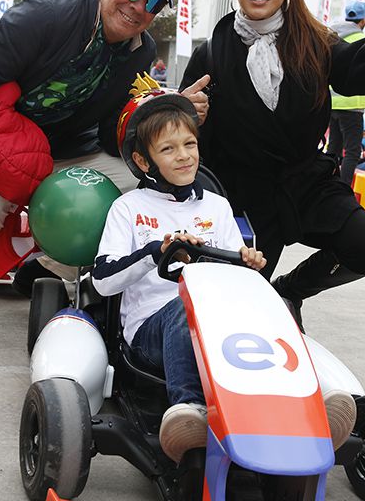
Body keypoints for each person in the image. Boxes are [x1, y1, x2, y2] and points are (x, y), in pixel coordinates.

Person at [0, 0, 208, 338]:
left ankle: (50, 267)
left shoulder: (140, 50)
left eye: (154, 0)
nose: (139, 6)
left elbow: (109, 130)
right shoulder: (44, 17)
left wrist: (164, 110)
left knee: (138, 188)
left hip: (62, 148)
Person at [180, 0, 365, 329]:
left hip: (305, 179)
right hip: (241, 192)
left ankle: (290, 291)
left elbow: (354, 66)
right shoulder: (212, 52)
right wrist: (188, 112)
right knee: (239, 311)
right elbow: (180, 128)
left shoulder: (316, 40)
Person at [93, 93, 269, 462]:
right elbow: (103, 281)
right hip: (150, 331)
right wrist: (155, 250)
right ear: (144, 161)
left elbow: (233, 277)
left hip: (219, 325)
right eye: (169, 149)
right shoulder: (128, 208)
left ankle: (297, 403)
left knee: (277, 306)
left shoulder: (217, 207)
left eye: (189, 144)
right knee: (184, 305)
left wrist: (247, 264)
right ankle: (190, 411)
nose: (185, 155)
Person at [327, 0, 365, 184]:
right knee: (352, 152)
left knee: (333, 149)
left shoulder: (332, 38)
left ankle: (325, 186)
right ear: (363, 21)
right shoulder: (364, 41)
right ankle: (343, 190)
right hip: (353, 106)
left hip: (331, 104)